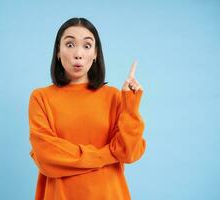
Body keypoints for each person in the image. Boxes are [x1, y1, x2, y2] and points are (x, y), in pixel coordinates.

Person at [28, 17, 146, 200]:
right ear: (58, 52)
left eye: (87, 46)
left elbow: (129, 152)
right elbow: (46, 157)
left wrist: (130, 105)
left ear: (95, 53)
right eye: (69, 44)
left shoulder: (113, 97)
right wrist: (107, 154)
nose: (78, 54)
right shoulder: (41, 98)